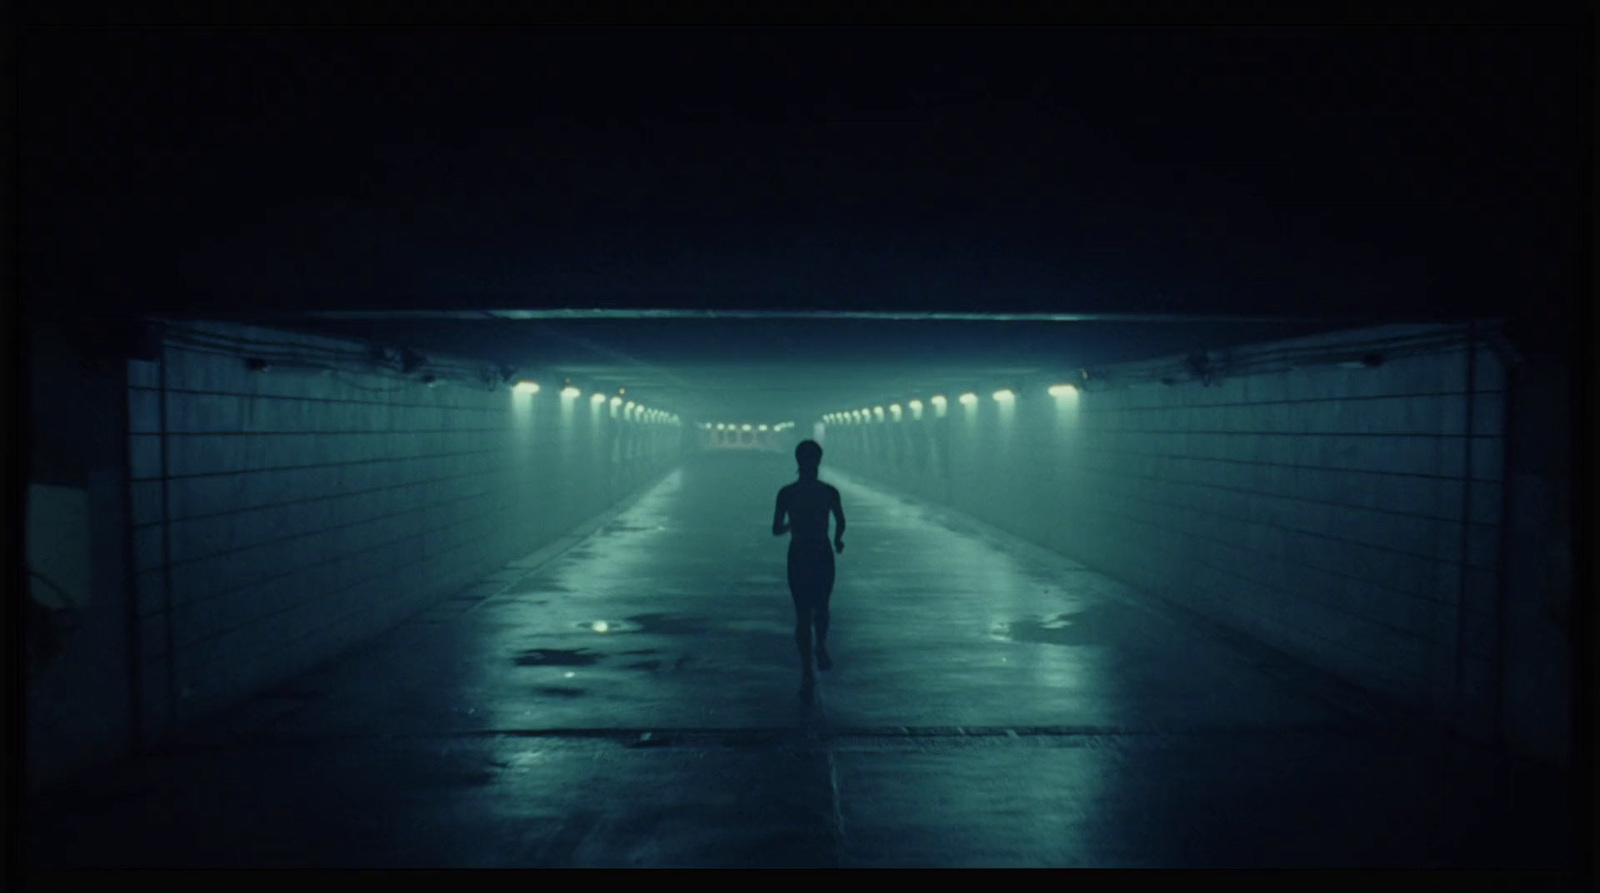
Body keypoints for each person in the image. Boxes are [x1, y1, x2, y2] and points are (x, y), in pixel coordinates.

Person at [772, 440, 846, 698]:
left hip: (799, 552)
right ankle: (821, 646)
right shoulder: (829, 491)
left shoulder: (786, 493)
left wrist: (795, 524)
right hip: (822, 552)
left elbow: (776, 530)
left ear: (797, 462)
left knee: (802, 613)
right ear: (818, 461)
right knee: (822, 606)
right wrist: (837, 540)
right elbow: (840, 522)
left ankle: (806, 672)